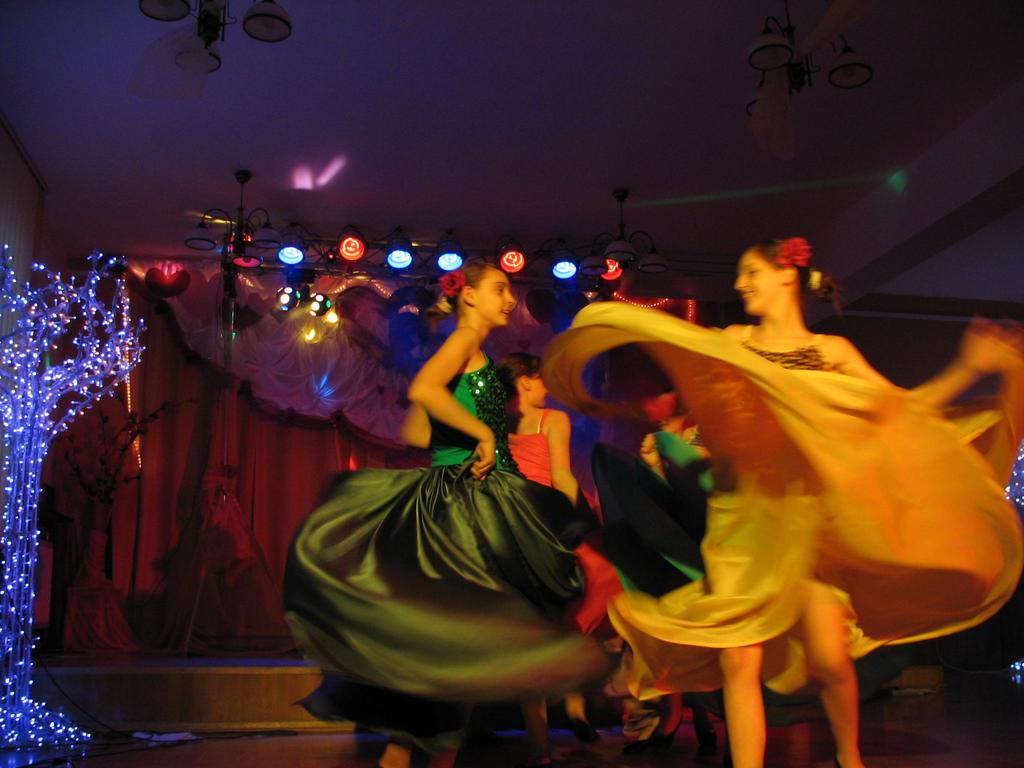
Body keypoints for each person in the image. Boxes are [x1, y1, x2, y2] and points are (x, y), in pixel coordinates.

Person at [541, 237, 1024, 768]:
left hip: (808, 525)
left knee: (830, 660)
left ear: (786, 275)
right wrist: (679, 444)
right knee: (738, 660)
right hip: (742, 522)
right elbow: (721, 420)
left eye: (751, 272)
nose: (740, 284)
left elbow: (900, 412)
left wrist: (967, 367)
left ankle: (849, 758)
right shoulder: (736, 341)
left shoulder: (832, 353)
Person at [284, 262, 607, 768]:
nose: (509, 299)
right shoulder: (464, 340)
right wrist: (480, 436)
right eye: (500, 289)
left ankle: (409, 753)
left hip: (481, 497)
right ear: (469, 296)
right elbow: (422, 392)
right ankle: (406, 752)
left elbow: (415, 430)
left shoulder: (475, 352)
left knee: (467, 647)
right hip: (470, 504)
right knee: (467, 641)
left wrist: (467, 433)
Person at [498, 353, 598, 767]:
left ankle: (546, 743)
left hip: (516, 530)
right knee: (551, 625)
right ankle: (564, 716)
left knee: (538, 633)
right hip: (532, 528)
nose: (547, 388)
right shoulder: (546, 420)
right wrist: (579, 525)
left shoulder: (504, 422)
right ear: (524, 382)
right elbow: (560, 477)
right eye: (541, 380)